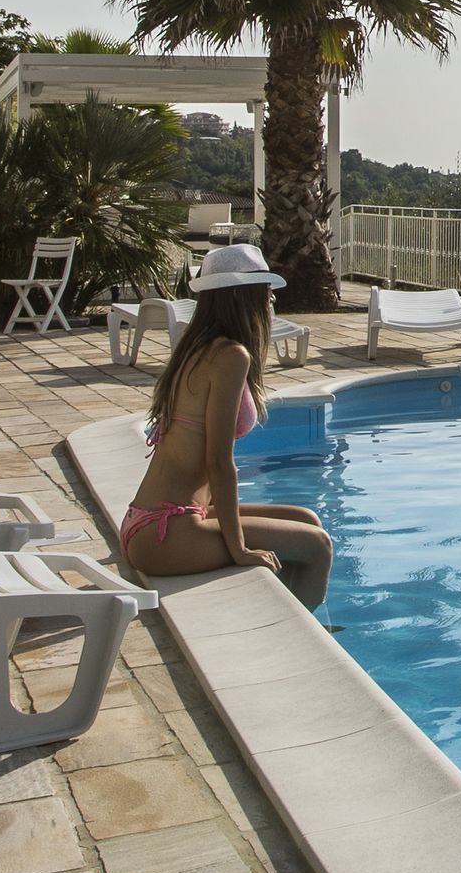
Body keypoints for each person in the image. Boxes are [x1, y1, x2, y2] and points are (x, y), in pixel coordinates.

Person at [118, 242, 336, 607]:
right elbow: (219, 461)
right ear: (242, 297)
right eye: (265, 294)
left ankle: (288, 613)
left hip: (155, 520)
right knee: (318, 546)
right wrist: (239, 548)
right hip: (166, 532)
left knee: (306, 519)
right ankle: (306, 639)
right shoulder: (231, 356)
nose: (271, 303)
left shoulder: (198, 346)